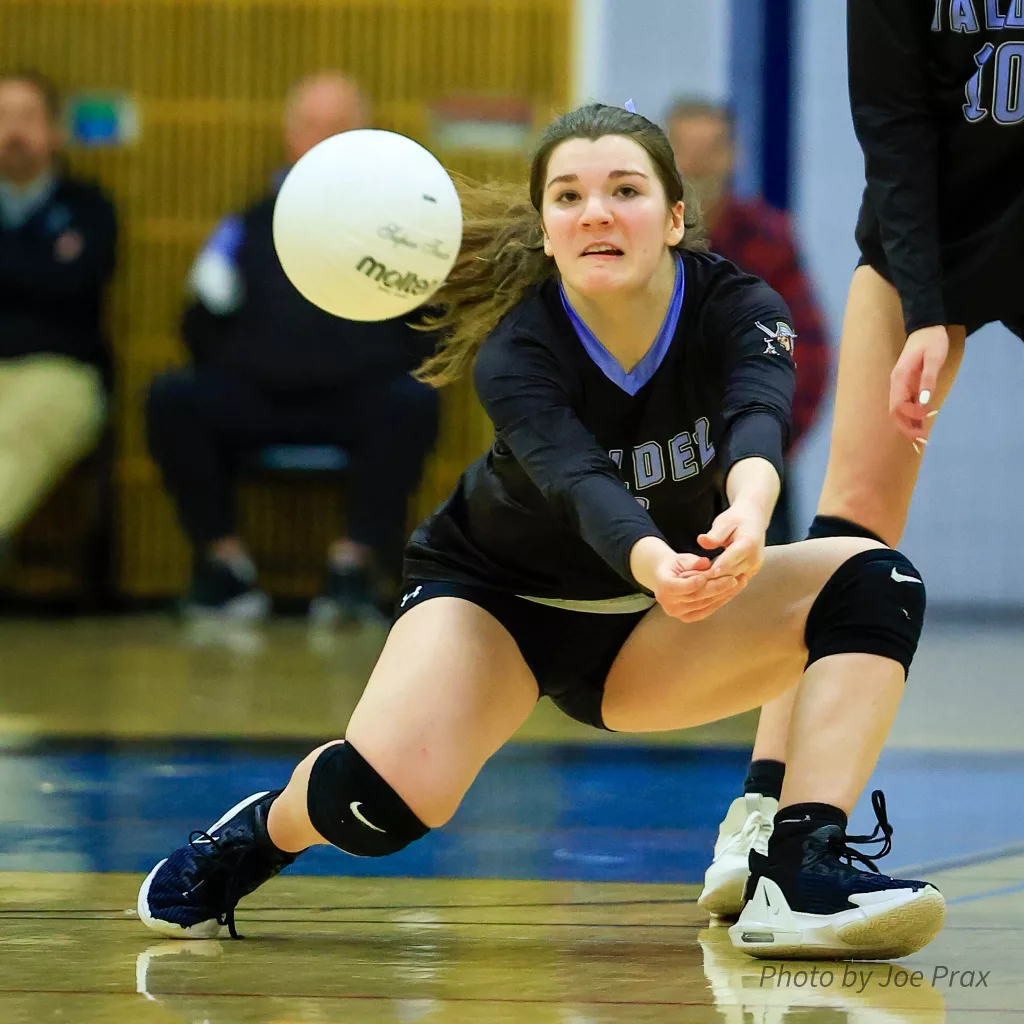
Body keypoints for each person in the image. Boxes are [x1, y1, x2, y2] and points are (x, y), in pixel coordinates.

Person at [137, 103, 944, 960]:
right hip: (496, 604)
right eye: (569, 197)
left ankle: (799, 869)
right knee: (376, 809)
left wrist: (748, 511)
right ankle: (262, 834)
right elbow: (578, 482)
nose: (596, 211)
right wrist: (654, 560)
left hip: (646, 630)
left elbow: (757, 419)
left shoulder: (739, 306)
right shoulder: (518, 350)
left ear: (675, 218)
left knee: (874, 579)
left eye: (625, 190)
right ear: (548, 233)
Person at [700, 0, 1024, 919]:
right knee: (850, 536)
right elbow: (894, 127)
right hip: (933, 240)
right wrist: (925, 307)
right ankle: (764, 815)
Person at [146, 72, 438, 623]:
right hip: (257, 398)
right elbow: (198, 325)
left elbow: (428, 330)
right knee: (173, 398)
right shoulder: (247, 224)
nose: (323, 139)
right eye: (311, 125)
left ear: (364, 136)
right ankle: (225, 569)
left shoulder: (402, 229)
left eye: (339, 126)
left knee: (412, 401)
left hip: (357, 401)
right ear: (288, 134)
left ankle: (352, 568)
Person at [665, 97, 830, 544]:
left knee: (769, 597)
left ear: (733, 154)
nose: (697, 163)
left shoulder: (767, 238)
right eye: (685, 148)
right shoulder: (642, 238)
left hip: (755, 448)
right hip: (659, 460)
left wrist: (762, 450)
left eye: (710, 148)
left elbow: (808, 355)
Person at [0, 71, 116, 570]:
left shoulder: (89, 209)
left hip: (60, 371)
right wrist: (38, 268)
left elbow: (75, 288)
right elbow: (49, 282)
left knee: (15, 430)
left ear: (55, 132)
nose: (13, 132)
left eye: (27, 117)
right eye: (2, 118)